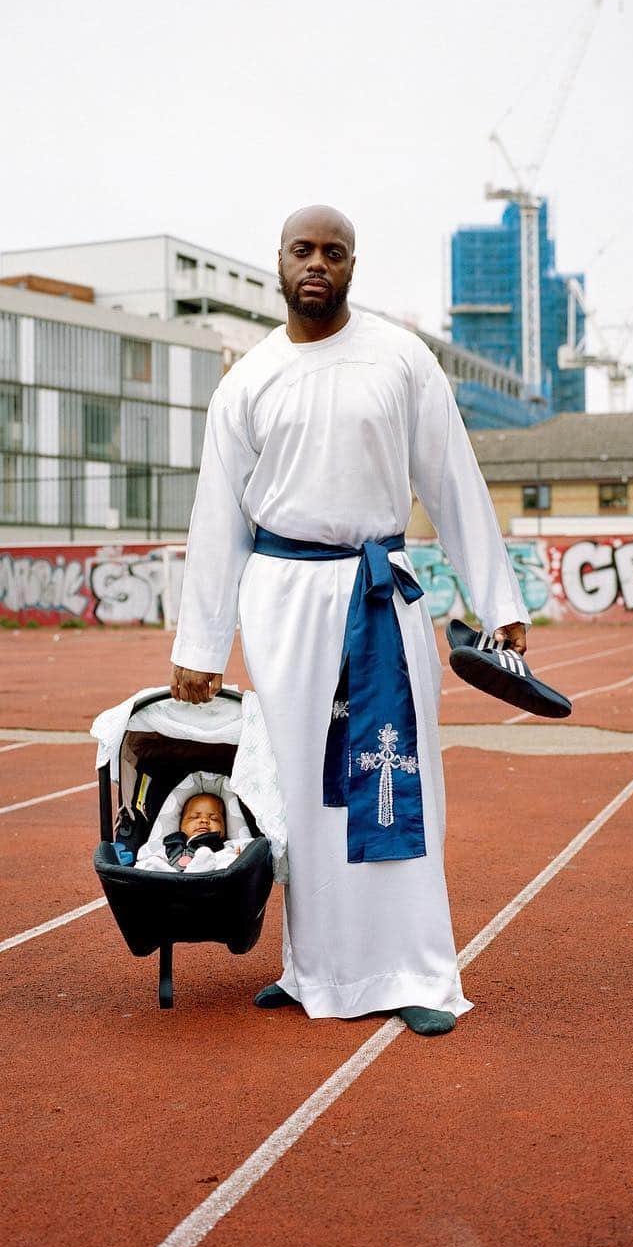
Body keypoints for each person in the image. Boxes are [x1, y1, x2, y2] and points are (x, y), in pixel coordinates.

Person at [169, 205, 528, 1036]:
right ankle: (314, 970)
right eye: (304, 250)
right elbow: (216, 518)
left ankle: (417, 972)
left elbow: (453, 480)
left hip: (379, 590)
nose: (318, 264)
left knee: (396, 775)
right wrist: (200, 645)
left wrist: (498, 603)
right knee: (301, 790)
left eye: (334, 251)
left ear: (354, 266)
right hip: (284, 599)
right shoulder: (249, 380)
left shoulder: (401, 359)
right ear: (281, 264)